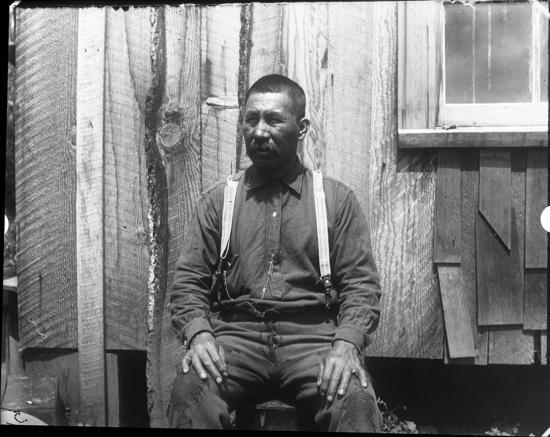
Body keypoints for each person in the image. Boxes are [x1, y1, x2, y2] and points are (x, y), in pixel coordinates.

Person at [167, 74, 383, 432]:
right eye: (251, 119)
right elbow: (188, 282)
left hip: (313, 341)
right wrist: (199, 334)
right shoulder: (219, 201)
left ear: (301, 129)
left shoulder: (335, 201)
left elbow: (362, 286)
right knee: (190, 394)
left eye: (273, 119)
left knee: (355, 401)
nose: (259, 131)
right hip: (235, 341)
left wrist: (347, 344)